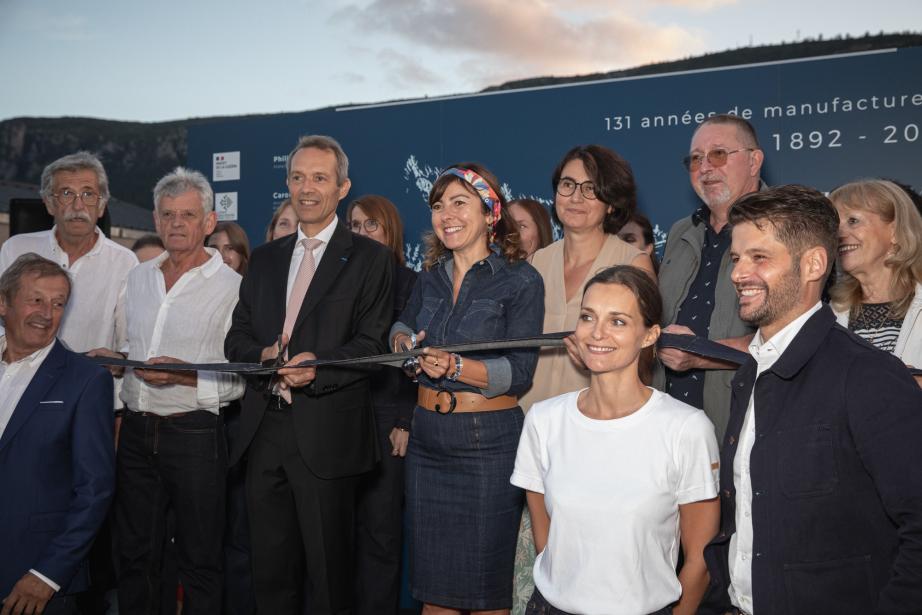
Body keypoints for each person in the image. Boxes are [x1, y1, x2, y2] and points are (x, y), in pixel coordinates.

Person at [704, 185, 922, 614]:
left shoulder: (869, 376)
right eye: (736, 258)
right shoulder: (750, 373)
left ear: (814, 264)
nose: (738, 273)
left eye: (759, 258)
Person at [224, 135, 394, 615]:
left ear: (343, 187)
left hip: (327, 434)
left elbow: (372, 346)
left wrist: (315, 369)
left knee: (329, 577)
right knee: (270, 575)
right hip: (263, 431)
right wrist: (261, 354)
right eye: (297, 177)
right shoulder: (266, 257)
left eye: (319, 178)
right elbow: (235, 337)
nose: (307, 188)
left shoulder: (370, 259)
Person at [512, 265, 719, 615]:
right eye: (588, 317)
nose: (597, 333)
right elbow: (547, 540)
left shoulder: (686, 428)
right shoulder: (544, 420)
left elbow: (700, 559)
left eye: (618, 321)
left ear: (650, 335)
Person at [390, 162, 544, 615]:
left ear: (490, 212)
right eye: (439, 205)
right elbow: (401, 326)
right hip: (427, 441)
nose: (446, 214)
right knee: (433, 591)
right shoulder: (430, 275)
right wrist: (403, 346)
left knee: (485, 591)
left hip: (488, 443)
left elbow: (520, 372)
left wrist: (458, 365)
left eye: (460, 202)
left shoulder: (520, 279)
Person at [512, 145, 654, 613]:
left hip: (598, 439)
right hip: (531, 429)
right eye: (567, 185)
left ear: (611, 201)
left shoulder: (632, 263)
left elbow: (646, 364)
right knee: (532, 571)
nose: (575, 196)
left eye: (590, 188)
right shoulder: (535, 264)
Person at [102, 167, 245, 615]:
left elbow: (241, 377)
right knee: (136, 556)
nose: (176, 224)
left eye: (187, 215)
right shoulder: (138, 277)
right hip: (138, 433)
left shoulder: (234, 287)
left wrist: (185, 376)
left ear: (208, 222)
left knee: (200, 560)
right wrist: (115, 359)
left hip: (196, 435)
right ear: (155, 219)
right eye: (167, 215)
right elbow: (132, 347)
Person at [0, 254, 115, 615]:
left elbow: (95, 490)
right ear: (3, 303)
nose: (46, 313)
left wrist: (47, 574)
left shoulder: (85, 380)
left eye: (58, 303)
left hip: (34, 582)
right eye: (35, 300)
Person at [655, 114, 766, 441]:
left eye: (718, 154)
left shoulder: (784, 227)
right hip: (667, 429)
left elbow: (793, 337)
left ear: (754, 160)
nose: (705, 167)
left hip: (743, 429)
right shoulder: (680, 232)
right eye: (695, 159)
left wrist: (700, 353)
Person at [346, 194, 418, 615]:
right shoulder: (336, 283)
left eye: (371, 224)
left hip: (387, 423)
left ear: (390, 231)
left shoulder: (411, 284)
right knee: (336, 536)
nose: (362, 233)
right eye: (354, 225)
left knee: (380, 536)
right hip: (339, 421)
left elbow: (417, 355)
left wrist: (405, 418)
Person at [828, 179, 922, 383]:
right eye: (835, 225)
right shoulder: (828, 315)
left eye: (853, 221)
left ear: (896, 231)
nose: (839, 234)